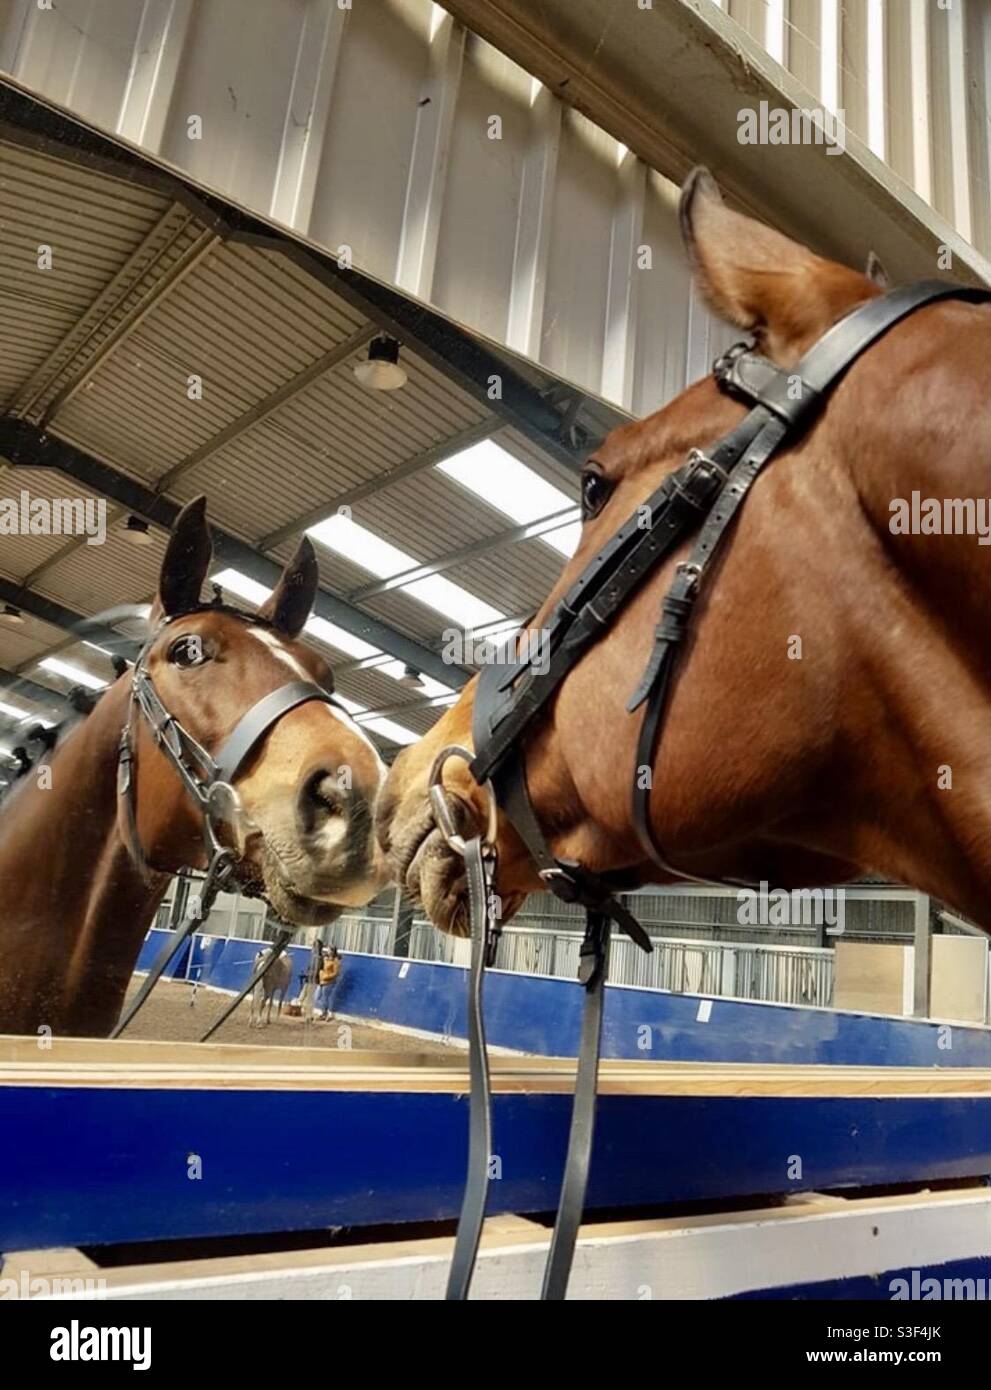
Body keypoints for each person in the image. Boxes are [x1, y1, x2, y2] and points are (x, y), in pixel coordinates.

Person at [316, 947, 341, 1020]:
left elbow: (336, 973)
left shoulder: (336, 961)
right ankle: (325, 1011)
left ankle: (324, 1013)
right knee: (316, 997)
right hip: (322, 980)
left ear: (333, 952)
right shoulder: (325, 958)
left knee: (325, 997)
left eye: (329, 950)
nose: (327, 951)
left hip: (329, 982)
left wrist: (327, 976)